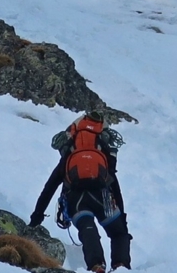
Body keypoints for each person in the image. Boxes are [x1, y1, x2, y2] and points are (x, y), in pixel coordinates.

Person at [29, 111, 132, 272]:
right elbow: (114, 184)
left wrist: (36, 217)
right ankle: (120, 265)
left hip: (76, 200)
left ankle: (97, 265)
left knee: (87, 229)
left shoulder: (69, 154)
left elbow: (49, 188)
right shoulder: (102, 151)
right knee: (119, 233)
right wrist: (122, 215)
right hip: (102, 198)